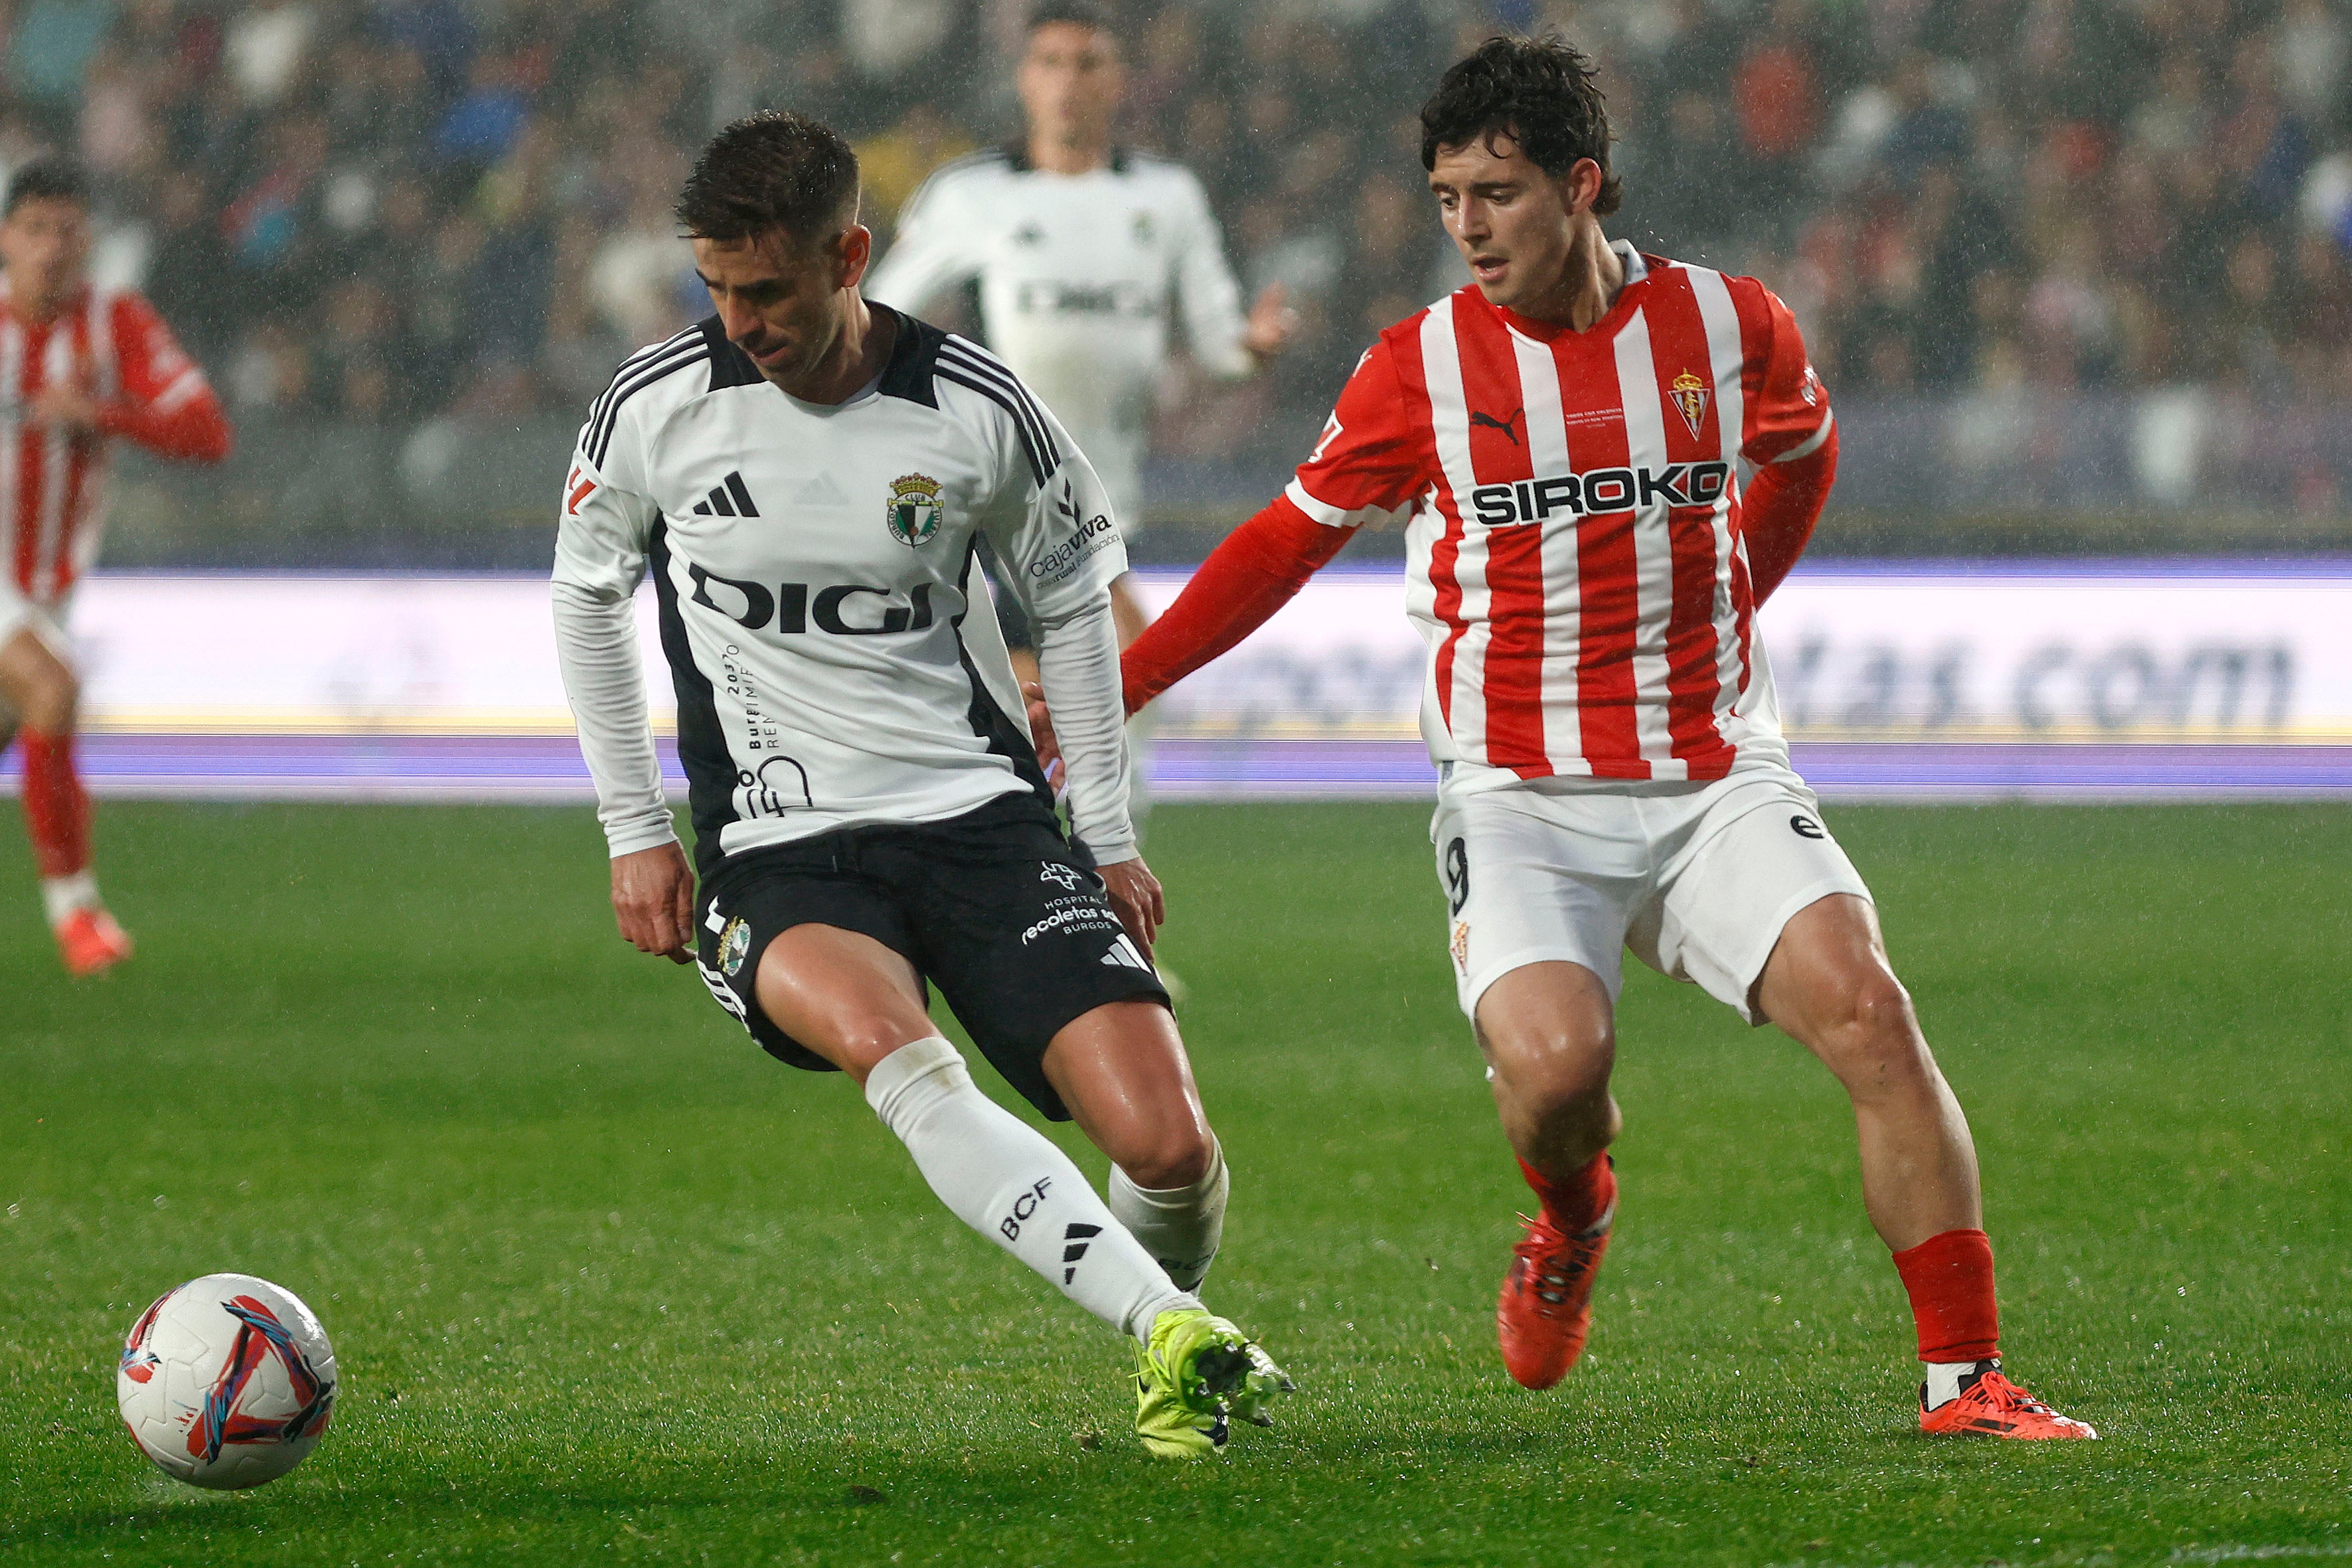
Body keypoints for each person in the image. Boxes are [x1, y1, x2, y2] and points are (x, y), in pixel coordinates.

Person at [1103, 37, 2095, 1440]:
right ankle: (1570, 1217)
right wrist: (1122, 684)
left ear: (1581, 186)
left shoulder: (1728, 325)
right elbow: (1277, 545)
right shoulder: (1418, 371)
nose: (1466, 226)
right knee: (1558, 1077)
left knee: (1872, 1015)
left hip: (1710, 768)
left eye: (1495, 193)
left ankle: (1964, 1377)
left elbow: (1803, 454)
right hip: (1518, 793)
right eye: (1446, 195)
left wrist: (1738, 581)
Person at [550, 110, 1290, 1460]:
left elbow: (1071, 602)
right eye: (716, 289)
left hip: (984, 821)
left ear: (851, 255)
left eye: (768, 290)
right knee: (896, 1050)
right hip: (780, 849)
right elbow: (584, 595)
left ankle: (1168, 1328)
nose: (740, 321)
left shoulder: (973, 407)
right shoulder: (655, 403)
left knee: (1168, 1143)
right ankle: (1164, 1338)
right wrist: (630, 827)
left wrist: (1107, 832)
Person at [864, 1, 1294, 823]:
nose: (1069, 82)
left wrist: (1254, 347)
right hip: (1006, 497)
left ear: (1119, 80)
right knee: (1113, 688)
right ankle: (1085, 896)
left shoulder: (1164, 198)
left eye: (1088, 63)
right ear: (1024, 79)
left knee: (1062, 719)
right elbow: (882, 317)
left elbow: (1218, 343)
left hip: (1110, 503)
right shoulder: (973, 195)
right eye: (1052, 63)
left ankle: (1055, 895)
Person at [0, 159, 232, 977]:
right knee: (54, 688)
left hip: (45, 585)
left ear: (90, 240)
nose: (51, 249)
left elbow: (206, 432)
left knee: (24, 716)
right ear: (5, 239)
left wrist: (100, 414)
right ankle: (78, 916)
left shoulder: (116, 323)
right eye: (34, 231)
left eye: (67, 231)